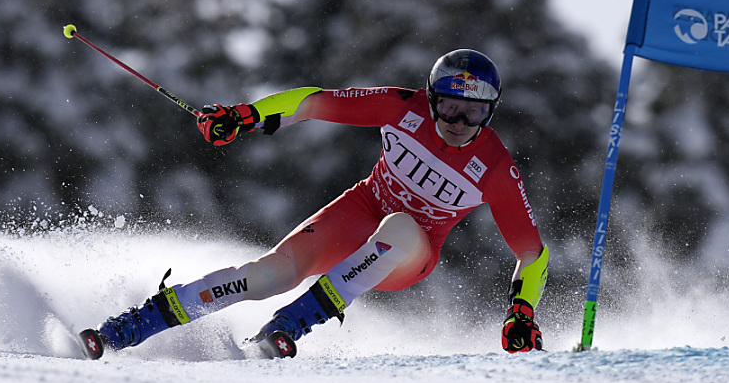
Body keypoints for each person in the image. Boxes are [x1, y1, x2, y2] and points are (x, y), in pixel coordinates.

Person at [78, 49, 549, 359]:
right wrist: (245, 116)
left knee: (402, 228)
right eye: (449, 106)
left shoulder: (495, 167)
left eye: (475, 111)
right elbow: (312, 102)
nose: (460, 121)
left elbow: (532, 253)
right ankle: (129, 328)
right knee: (269, 274)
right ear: (431, 100)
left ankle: (291, 324)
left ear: (491, 111)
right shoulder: (399, 106)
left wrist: (521, 312)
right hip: (357, 213)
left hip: (411, 253)